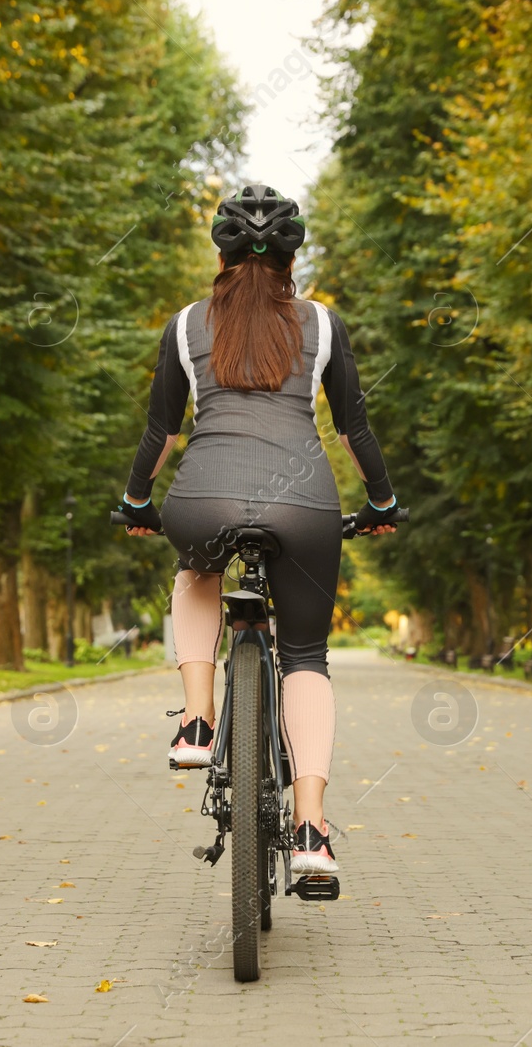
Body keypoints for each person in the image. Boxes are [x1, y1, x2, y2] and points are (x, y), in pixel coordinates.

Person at [116, 184, 399, 875]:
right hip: (305, 507)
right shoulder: (322, 324)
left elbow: (162, 429)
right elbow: (354, 427)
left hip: (203, 501)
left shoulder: (186, 326)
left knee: (196, 569)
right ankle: (309, 829)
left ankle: (196, 718)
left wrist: (135, 499)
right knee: (305, 656)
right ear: (291, 255)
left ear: (222, 251)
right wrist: (384, 502)